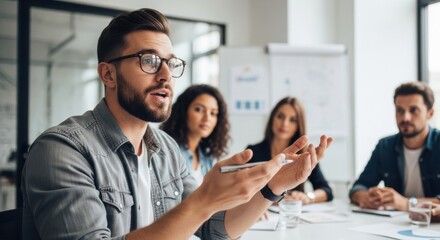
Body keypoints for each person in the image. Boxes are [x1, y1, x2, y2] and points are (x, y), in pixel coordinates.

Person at [21, 8, 331, 240]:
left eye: (171, 63)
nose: (166, 76)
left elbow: (211, 230)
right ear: (108, 74)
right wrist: (204, 200)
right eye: (149, 60)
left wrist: (275, 186)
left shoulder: (166, 149)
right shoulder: (62, 150)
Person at [350, 81, 440, 211]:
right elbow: (359, 186)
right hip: (394, 225)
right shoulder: (385, 146)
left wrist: (407, 204)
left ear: (430, 113)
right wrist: (365, 197)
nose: (405, 118)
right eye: (400, 110)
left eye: (413, 110)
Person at [247, 97, 334, 204]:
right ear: (272, 119)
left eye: (292, 120)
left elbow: (327, 190)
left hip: (291, 213)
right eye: (280, 116)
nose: (285, 124)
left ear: (298, 126)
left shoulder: (305, 155)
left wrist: (308, 197)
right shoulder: (253, 152)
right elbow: (242, 188)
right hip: (258, 213)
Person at [160, 84, 230, 185]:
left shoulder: (207, 155)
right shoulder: (169, 152)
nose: (207, 118)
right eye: (199, 110)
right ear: (183, 111)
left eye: (213, 113)